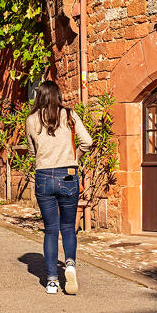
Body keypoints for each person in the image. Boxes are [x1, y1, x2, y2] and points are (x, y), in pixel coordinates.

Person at [26, 80, 94, 295]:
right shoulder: (70, 115)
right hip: (69, 174)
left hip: (44, 175)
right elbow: (88, 141)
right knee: (68, 226)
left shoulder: (31, 119)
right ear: (58, 96)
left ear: (40, 96)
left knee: (51, 229)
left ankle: (52, 281)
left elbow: (31, 150)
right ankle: (70, 265)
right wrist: (75, 157)